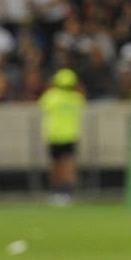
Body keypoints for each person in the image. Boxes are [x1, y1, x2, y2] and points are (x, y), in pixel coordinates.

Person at [38, 67, 86, 205]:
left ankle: (56, 192)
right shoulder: (76, 98)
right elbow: (82, 100)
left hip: (54, 135)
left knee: (55, 165)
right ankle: (67, 192)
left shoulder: (51, 96)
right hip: (70, 134)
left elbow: (42, 105)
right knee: (69, 164)